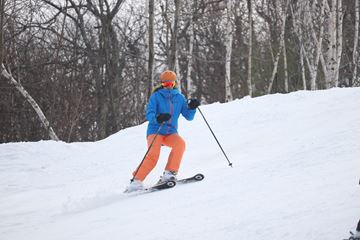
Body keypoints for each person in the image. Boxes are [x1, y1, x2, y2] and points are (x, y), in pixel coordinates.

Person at [126, 70, 200, 192]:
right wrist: (158, 118)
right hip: (155, 130)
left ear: (175, 83)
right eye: (166, 84)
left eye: (171, 84)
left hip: (170, 132)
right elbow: (149, 113)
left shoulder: (180, 98)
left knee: (180, 144)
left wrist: (192, 107)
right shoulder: (156, 96)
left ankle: (169, 173)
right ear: (161, 84)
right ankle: (136, 181)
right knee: (153, 156)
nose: (168, 87)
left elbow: (189, 117)